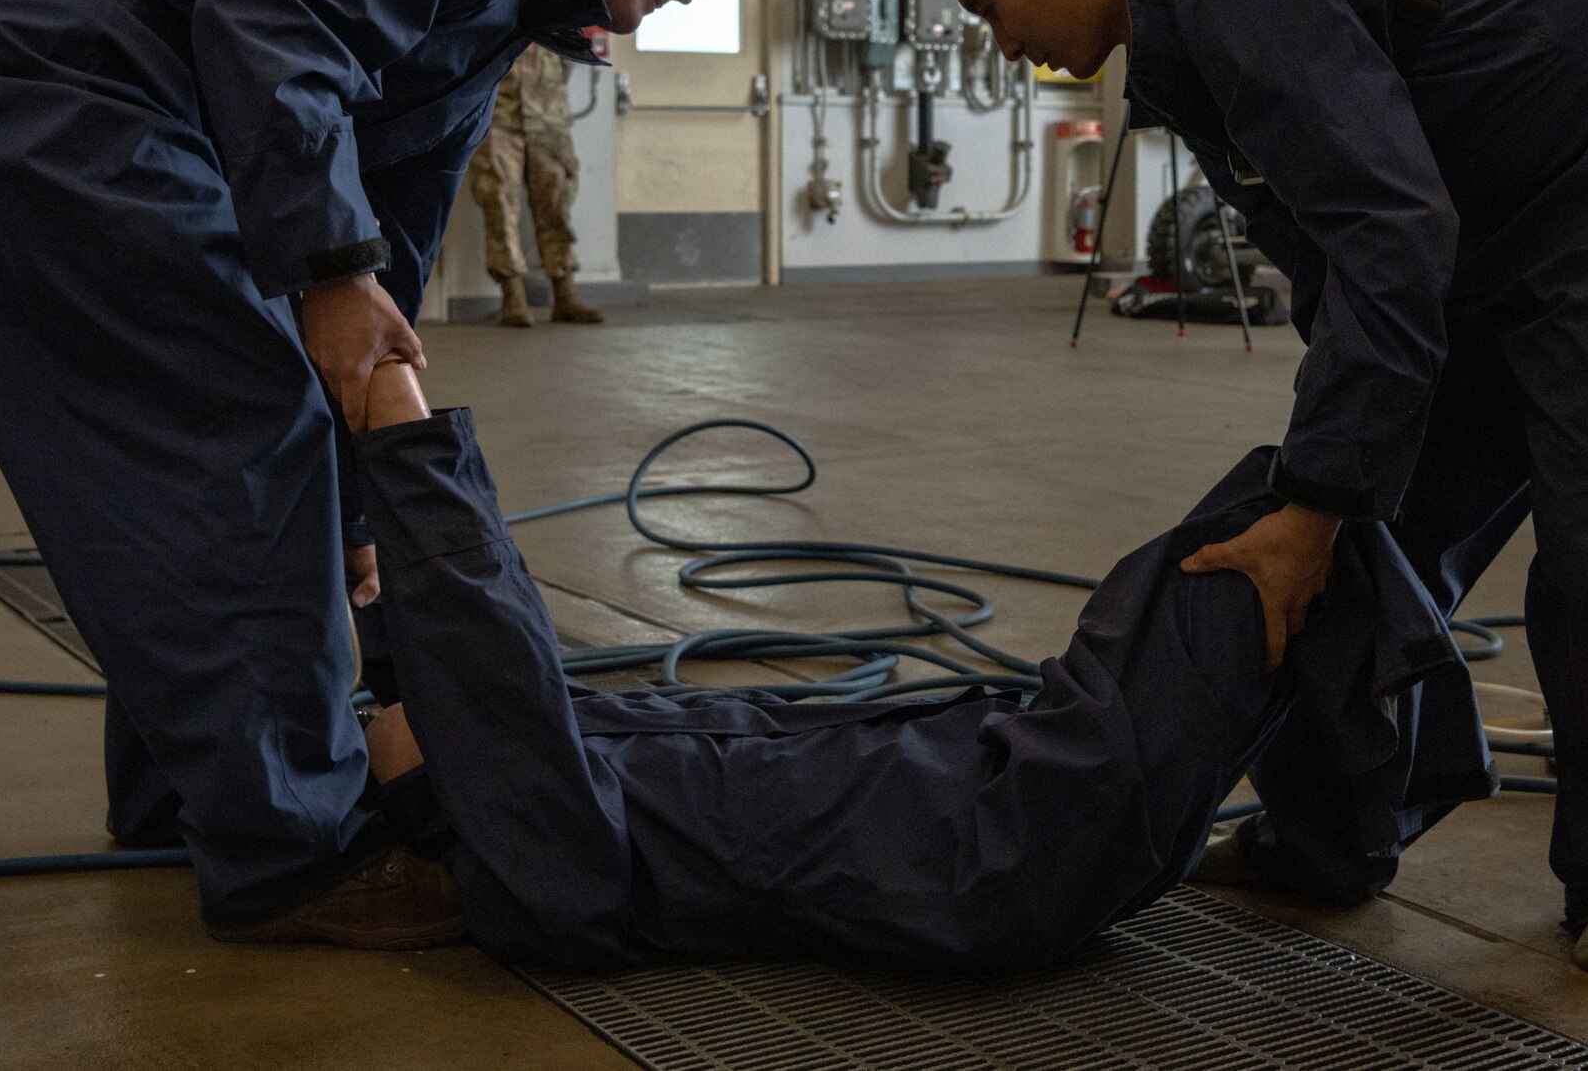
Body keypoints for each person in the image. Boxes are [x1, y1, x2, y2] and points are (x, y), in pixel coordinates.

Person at [0, 0, 742, 947]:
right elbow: (268, 19)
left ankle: (185, 789)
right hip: (36, 50)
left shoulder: (494, 11)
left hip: (13, 58)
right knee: (241, 416)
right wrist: (326, 282)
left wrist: (357, 496)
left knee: (211, 438)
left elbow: (392, 229)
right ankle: (295, 853)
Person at [914, 0, 1588, 974]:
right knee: (1373, 533)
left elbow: (1388, 238)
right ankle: (1324, 838)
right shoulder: (1187, 24)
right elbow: (1341, 258)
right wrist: (1330, 481)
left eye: (988, 8)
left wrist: (1315, 492)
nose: (1004, 43)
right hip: (1501, 205)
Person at [343, 357, 1491, 969]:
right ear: (443, 793)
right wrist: (401, 433)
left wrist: (379, 607)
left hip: (1015, 766)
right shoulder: (538, 862)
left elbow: (477, 681)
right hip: (1025, 832)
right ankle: (1350, 830)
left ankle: (1342, 835)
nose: (371, 720)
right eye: (377, 734)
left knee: (1295, 526)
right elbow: (487, 668)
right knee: (1274, 531)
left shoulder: (540, 768)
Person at [467, 42, 604, 326]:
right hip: (498, 114)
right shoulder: (492, 0)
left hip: (548, 114)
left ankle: (564, 293)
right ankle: (512, 293)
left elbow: (569, 54)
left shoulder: (557, 0)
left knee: (556, 204)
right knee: (499, 203)